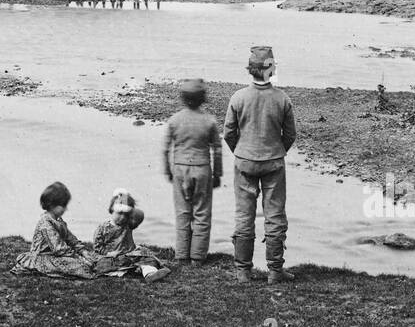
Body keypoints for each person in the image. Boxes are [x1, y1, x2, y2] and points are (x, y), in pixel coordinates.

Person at [224, 45, 296, 284]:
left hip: (245, 160)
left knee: (244, 214)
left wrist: (242, 153)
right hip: (273, 161)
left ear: (251, 70)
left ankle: (243, 270)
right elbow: (290, 135)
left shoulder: (238, 97)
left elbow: (228, 134)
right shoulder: (282, 98)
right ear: (271, 69)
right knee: (275, 214)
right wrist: (276, 152)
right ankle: (275, 271)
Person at [161, 79, 222, 264]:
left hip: (180, 168)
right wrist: (217, 174)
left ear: (183, 99)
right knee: (202, 213)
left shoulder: (174, 120)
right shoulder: (209, 121)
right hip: (202, 168)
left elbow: (165, 149)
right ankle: (197, 256)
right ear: (203, 99)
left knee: (182, 212)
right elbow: (217, 150)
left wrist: (168, 170)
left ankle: (181, 255)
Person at [11, 182, 103, 280]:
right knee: (77, 265)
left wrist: (83, 251)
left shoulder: (59, 221)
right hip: (43, 257)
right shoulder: (45, 223)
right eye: (63, 205)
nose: (66, 209)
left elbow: (71, 239)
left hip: (56, 255)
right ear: (52, 205)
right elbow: (59, 248)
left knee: (90, 259)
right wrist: (78, 257)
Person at [92, 189, 171, 282]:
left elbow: (140, 214)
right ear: (112, 210)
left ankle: (150, 274)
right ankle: (122, 270)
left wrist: (128, 205)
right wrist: (108, 253)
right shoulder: (103, 228)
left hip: (129, 254)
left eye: (126, 215)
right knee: (102, 264)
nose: (122, 217)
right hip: (112, 256)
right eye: (119, 213)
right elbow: (97, 247)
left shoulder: (128, 224)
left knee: (148, 259)